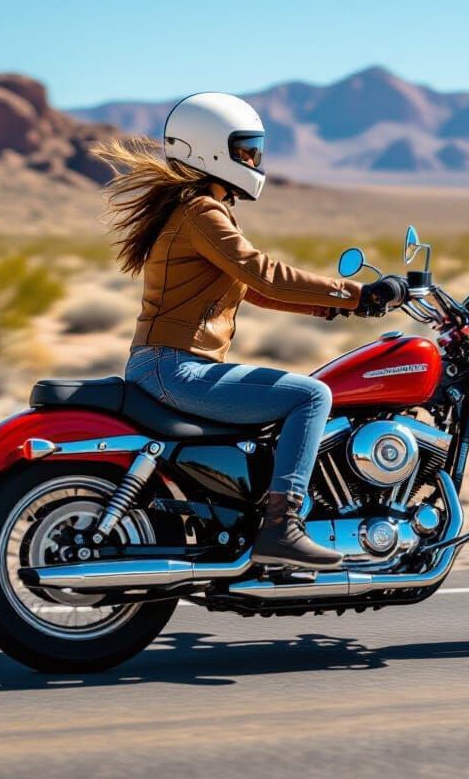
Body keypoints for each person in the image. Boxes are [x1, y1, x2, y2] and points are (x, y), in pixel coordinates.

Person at [94, 93, 404, 570]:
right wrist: (356, 293)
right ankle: (282, 527)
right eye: (245, 150)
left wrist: (338, 308)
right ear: (210, 150)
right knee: (311, 397)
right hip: (176, 368)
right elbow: (264, 273)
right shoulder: (202, 212)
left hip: (166, 365)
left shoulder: (192, 210)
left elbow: (253, 289)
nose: (254, 161)